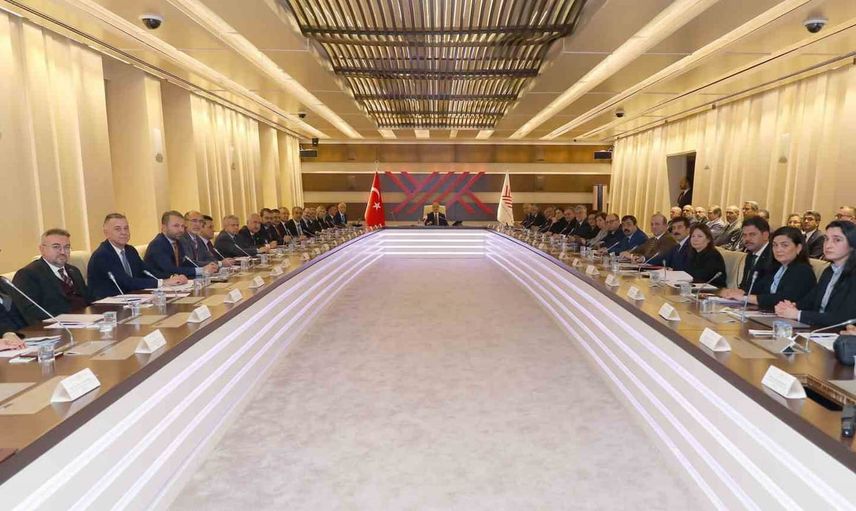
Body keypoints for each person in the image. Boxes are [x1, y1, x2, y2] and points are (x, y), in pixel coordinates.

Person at [775, 221, 856, 327]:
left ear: (852, 244)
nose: (828, 245)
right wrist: (791, 306)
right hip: (819, 329)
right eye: (826, 239)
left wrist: (797, 314)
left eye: (837, 240)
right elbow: (810, 300)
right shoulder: (829, 271)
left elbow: (844, 319)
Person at [88, 213, 186, 300]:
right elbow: (126, 282)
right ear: (106, 233)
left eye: (126, 228)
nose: (123, 232)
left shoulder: (130, 250)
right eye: (118, 229)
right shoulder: (102, 255)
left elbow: (148, 271)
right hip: (107, 306)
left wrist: (173, 278)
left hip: (132, 299)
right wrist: (162, 282)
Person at [12, 229, 93, 325]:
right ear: (42, 249)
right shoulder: (28, 274)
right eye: (56, 247)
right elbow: (30, 311)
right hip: (56, 327)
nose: (63, 252)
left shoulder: (74, 270)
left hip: (87, 322)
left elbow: (87, 300)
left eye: (67, 247)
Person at [721, 227, 815, 310]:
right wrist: (738, 293)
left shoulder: (803, 271)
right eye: (775, 245)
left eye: (784, 245)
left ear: (798, 248)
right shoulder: (777, 268)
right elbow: (758, 289)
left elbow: (783, 298)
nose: (778, 249)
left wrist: (746, 298)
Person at [145, 211, 218, 279]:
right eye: (176, 226)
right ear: (164, 228)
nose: (181, 230)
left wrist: (207, 267)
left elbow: (186, 264)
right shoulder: (158, 244)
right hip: (158, 286)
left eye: (182, 226)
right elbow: (170, 270)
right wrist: (200, 270)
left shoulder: (177, 242)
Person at [734, 216, 776, 294]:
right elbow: (745, 285)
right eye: (744, 235)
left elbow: (766, 289)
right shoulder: (750, 255)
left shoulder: (774, 255)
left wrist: (744, 295)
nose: (747, 239)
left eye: (752, 234)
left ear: (765, 235)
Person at [685, 224, 727, 288]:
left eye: (700, 236)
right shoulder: (693, 253)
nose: (695, 239)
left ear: (708, 239)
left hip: (713, 289)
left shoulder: (713, 256)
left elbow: (701, 277)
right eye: (693, 236)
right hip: (696, 287)